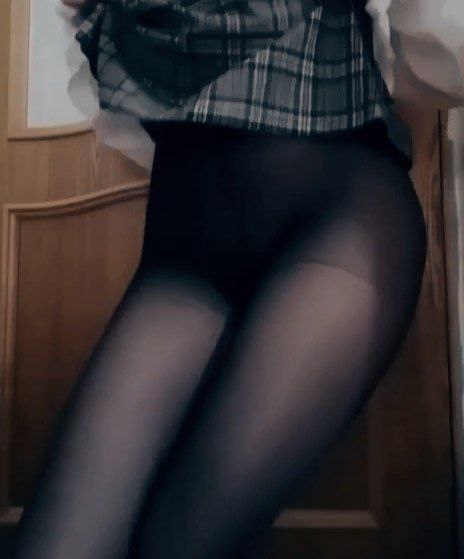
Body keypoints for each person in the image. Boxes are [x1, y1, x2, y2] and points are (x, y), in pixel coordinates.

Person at [12, 0, 427, 558]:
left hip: (336, 227)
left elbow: (439, 51)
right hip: (189, 252)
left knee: (180, 544)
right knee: (62, 546)